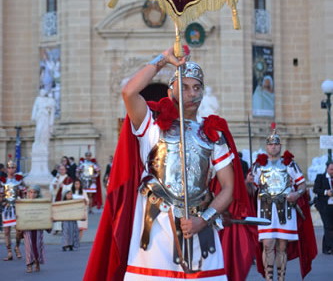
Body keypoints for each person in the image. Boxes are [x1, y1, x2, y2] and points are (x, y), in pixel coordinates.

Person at [84, 46, 254, 281]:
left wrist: (203, 220)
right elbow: (129, 92)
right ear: (171, 89)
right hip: (156, 226)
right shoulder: (152, 124)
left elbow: (228, 187)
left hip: (199, 225)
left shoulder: (212, 133)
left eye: (196, 87)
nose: (191, 93)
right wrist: (163, 59)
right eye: (183, 87)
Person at [252, 127, 317, 280]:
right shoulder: (258, 165)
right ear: (266, 146)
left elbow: (302, 185)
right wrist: (247, 183)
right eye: (270, 144)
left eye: (276, 144)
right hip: (265, 210)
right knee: (267, 244)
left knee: (282, 246)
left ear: (280, 146)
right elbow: (251, 189)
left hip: (286, 209)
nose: (273, 146)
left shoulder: (290, 164)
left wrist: (297, 194)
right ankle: (269, 278)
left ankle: (281, 278)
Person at [0, 158, 26, 261]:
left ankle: (17, 247)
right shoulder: (2, 181)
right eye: (9, 167)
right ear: (7, 169)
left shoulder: (19, 180)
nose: (11, 169)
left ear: (15, 169)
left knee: (19, 230)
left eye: (13, 167)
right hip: (6, 207)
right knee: (7, 231)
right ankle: (9, 251)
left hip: (17, 207)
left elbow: (24, 193)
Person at [22, 185, 45, 273]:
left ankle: (37, 262)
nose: (32, 194)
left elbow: (45, 214)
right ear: (28, 193)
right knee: (28, 245)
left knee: (38, 245)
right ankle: (29, 264)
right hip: (27, 227)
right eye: (30, 192)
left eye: (35, 192)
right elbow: (21, 214)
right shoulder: (23, 203)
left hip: (38, 226)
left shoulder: (42, 203)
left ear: (38, 194)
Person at [313, 161, 333, 254]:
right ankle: (330, 248)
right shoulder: (320, 177)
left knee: (330, 227)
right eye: (331, 169)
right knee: (328, 226)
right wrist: (326, 192)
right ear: (327, 169)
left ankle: (326, 247)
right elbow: (315, 189)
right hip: (324, 206)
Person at [49, 164, 73, 234]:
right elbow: (51, 188)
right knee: (56, 214)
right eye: (60, 169)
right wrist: (54, 187)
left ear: (66, 170)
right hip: (56, 198)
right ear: (58, 170)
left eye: (63, 169)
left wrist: (64, 186)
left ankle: (64, 228)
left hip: (64, 199)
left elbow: (70, 189)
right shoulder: (56, 178)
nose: (62, 171)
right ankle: (56, 228)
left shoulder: (68, 179)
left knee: (64, 214)